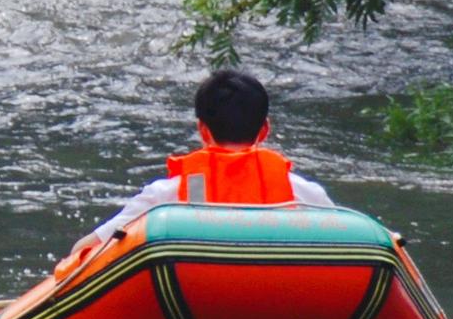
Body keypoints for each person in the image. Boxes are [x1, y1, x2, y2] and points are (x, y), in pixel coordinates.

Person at [61, 69, 336, 265]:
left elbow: (84, 251)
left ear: (202, 130)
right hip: (284, 298)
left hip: (193, 301)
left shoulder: (165, 196)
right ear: (265, 130)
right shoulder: (304, 193)